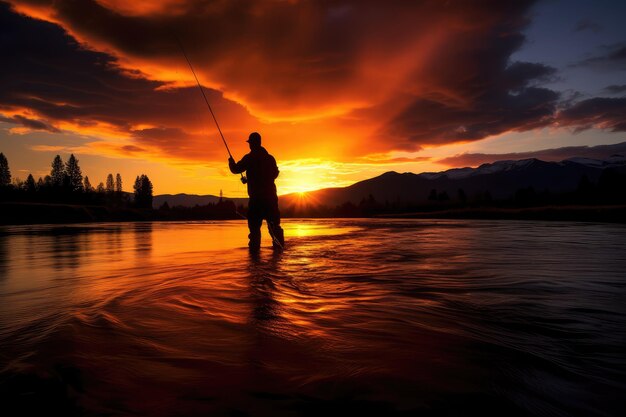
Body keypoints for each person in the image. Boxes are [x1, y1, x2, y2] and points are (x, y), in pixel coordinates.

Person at [229, 132, 285, 251]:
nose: (249, 145)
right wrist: (251, 179)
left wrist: (231, 162)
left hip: (256, 200)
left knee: (254, 230)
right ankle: (280, 253)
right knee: (275, 227)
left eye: (250, 143)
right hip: (271, 199)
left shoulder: (249, 158)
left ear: (252, 144)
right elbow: (275, 174)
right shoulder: (270, 158)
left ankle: (254, 261)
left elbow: (235, 169)